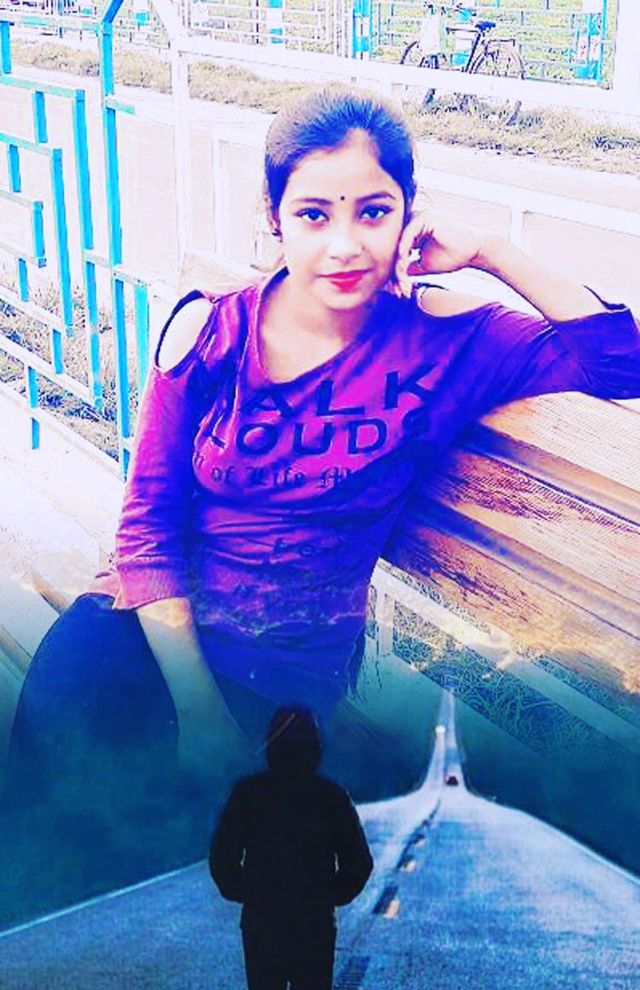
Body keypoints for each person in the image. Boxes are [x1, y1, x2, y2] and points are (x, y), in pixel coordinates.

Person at [5, 84, 640, 891]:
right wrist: (197, 715)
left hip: (280, 675)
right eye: (313, 215)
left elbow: (619, 360)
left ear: (409, 214)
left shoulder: (448, 341)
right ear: (275, 220)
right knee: (42, 841)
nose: (345, 245)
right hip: (148, 637)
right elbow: (147, 533)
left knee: (179, 886)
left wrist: (488, 251)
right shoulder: (214, 331)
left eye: (373, 212)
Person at [209, 705, 373, 990]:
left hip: (262, 921)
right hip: (313, 924)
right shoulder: (330, 797)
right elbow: (359, 864)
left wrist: (249, 892)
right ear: (314, 747)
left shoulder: (249, 794)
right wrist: (328, 895)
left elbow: (222, 861)